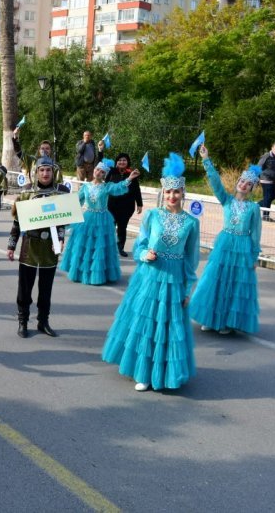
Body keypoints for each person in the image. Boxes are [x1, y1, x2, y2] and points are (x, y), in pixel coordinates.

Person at [102, 153, 200, 392]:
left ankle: (164, 371)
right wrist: (145, 254)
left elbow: (191, 259)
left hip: (174, 278)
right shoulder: (152, 215)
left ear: (183, 193)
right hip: (149, 276)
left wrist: (189, 288)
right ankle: (143, 372)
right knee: (145, 323)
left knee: (168, 326)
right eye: (168, 192)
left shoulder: (191, 223)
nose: (172, 196)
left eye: (176, 192)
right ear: (162, 193)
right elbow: (140, 245)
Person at [190, 145, 262, 335]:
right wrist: (206, 159)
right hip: (224, 244)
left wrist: (254, 256)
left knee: (234, 283)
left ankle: (227, 322)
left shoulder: (254, 208)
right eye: (242, 181)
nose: (244, 185)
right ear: (238, 182)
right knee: (217, 280)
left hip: (243, 247)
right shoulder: (227, 200)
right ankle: (210, 318)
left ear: (252, 188)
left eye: (248, 184)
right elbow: (215, 183)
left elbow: (255, 233)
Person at [7, 155, 70, 338]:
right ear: (36, 172)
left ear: (53, 172)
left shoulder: (60, 193)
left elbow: (61, 223)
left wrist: (60, 239)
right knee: (25, 288)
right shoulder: (27, 192)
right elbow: (17, 222)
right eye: (42, 170)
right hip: (30, 246)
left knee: (46, 288)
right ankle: (23, 321)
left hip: (50, 247)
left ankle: (43, 321)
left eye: (48, 170)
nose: (45, 173)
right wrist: (11, 245)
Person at [60, 159, 140, 285]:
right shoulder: (85, 187)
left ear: (105, 175)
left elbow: (118, 187)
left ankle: (99, 274)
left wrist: (129, 178)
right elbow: (75, 202)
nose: (98, 173)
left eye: (102, 172)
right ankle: (82, 273)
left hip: (103, 219)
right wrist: (60, 206)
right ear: (94, 170)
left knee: (99, 247)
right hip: (88, 218)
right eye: (97, 170)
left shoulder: (107, 187)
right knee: (85, 246)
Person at [106, 153, 143, 257]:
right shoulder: (111, 172)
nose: (122, 162)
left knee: (122, 228)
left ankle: (120, 248)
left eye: (124, 160)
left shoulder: (132, 174)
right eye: (120, 160)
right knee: (110, 227)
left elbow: (136, 189)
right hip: (112, 205)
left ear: (127, 162)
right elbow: (105, 185)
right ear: (116, 162)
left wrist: (139, 204)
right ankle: (109, 247)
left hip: (127, 206)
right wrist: (100, 151)